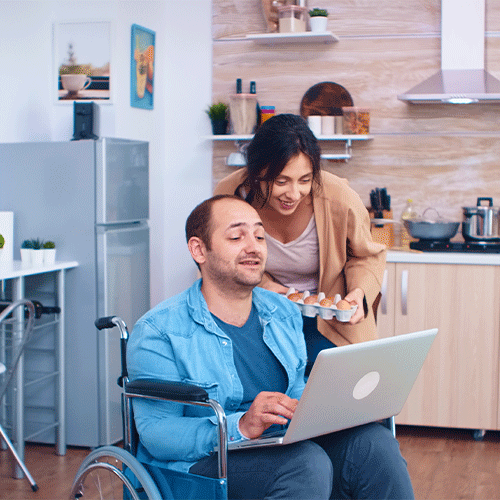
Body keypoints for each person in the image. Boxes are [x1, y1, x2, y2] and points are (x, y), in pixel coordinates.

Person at [127, 194, 414, 500]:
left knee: (373, 443)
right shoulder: (159, 331)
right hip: (199, 466)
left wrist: (336, 405)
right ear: (199, 250)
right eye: (237, 236)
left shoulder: (283, 311)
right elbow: (157, 433)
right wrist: (242, 426)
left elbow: (295, 391)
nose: (253, 247)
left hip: (279, 446)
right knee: (305, 464)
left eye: (260, 236)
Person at [213, 113, 386, 371]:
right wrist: (263, 285)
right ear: (257, 171)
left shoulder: (338, 197)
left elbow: (366, 255)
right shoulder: (232, 196)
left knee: (343, 396)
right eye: (281, 181)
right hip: (258, 317)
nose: (293, 194)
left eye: (304, 180)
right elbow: (218, 256)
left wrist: (359, 294)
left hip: (329, 324)